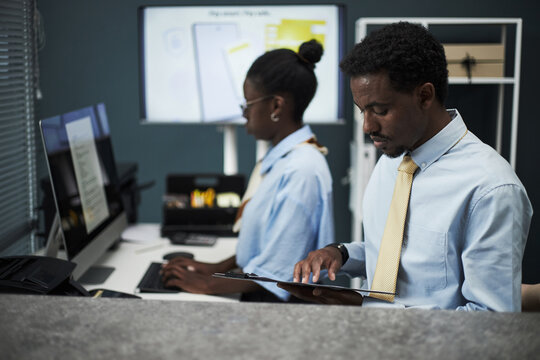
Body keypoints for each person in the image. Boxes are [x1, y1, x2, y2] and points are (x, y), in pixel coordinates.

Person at [280, 22, 533, 311]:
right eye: (362, 110)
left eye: (380, 110)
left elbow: (490, 322)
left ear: (424, 96)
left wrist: (366, 305)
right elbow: (396, 254)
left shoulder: (490, 189)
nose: (367, 126)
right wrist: (341, 254)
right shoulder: (393, 161)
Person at [161, 40, 334, 302]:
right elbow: (267, 245)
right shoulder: (281, 160)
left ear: (276, 106)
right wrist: (217, 268)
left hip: (277, 308)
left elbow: (277, 271)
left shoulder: (302, 170)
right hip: (260, 294)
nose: (244, 114)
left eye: (248, 105)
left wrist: (207, 285)